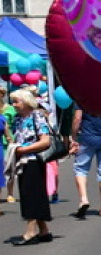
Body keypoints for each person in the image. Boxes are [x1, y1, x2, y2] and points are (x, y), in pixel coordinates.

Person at [8, 88, 53, 245]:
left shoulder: (37, 116)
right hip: (22, 161)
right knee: (31, 193)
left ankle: (31, 231)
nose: (13, 104)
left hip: (34, 159)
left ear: (26, 102)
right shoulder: (17, 119)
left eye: (16, 101)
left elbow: (45, 141)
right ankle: (44, 230)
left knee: (31, 194)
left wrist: (24, 149)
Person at [70, 105, 101, 218]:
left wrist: (74, 138)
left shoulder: (82, 97)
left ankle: (84, 199)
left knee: (80, 168)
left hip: (86, 138)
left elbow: (77, 119)